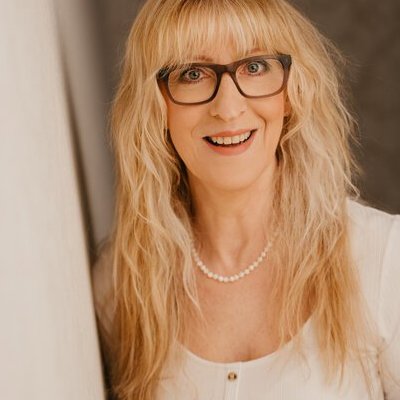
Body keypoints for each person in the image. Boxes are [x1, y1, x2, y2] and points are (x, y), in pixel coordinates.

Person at [91, 0, 400, 399]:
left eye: (254, 67)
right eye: (193, 73)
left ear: (290, 93)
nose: (228, 108)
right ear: (156, 107)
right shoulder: (122, 284)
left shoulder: (384, 258)